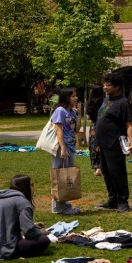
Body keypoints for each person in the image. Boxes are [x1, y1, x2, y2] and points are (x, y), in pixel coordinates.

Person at [0, 174, 50, 260]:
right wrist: (41, 233)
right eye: (31, 185)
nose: (33, 188)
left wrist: (33, 225)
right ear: (26, 187)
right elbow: (29, 233)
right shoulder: (23, 202)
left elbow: (5, 222)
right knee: (44, 240)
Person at [95, 72, 132, 213]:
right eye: (104, 84)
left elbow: (129, 125)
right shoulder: (107, 99)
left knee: (117, 173)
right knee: (106, 172)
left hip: (115, 143)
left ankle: (123, 201)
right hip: (103, 143)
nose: (105, 87)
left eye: (109, 85)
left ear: (117, 87)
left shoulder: (123, 103)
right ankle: (112, 200)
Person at [50, 88, 81, 216]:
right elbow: (58, 130)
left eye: (76, 96)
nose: (76, 98)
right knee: (59, 174)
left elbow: (77, 130)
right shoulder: (60, 111)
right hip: (61, 147)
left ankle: (64, 203)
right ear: (66, 97)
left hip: (71, 146)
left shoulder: (72, 112)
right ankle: (57, 207)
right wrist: (62, 147)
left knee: (66, 175)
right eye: (72, 96)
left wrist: (79, 114)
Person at [86, 86, 105, 176]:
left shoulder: (90, 103)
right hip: (103, 125)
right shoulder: (105, 102)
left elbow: (88, 117)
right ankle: (101, 167)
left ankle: (95, 167)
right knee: (101, 146)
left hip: (93, 126)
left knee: (93, 146)